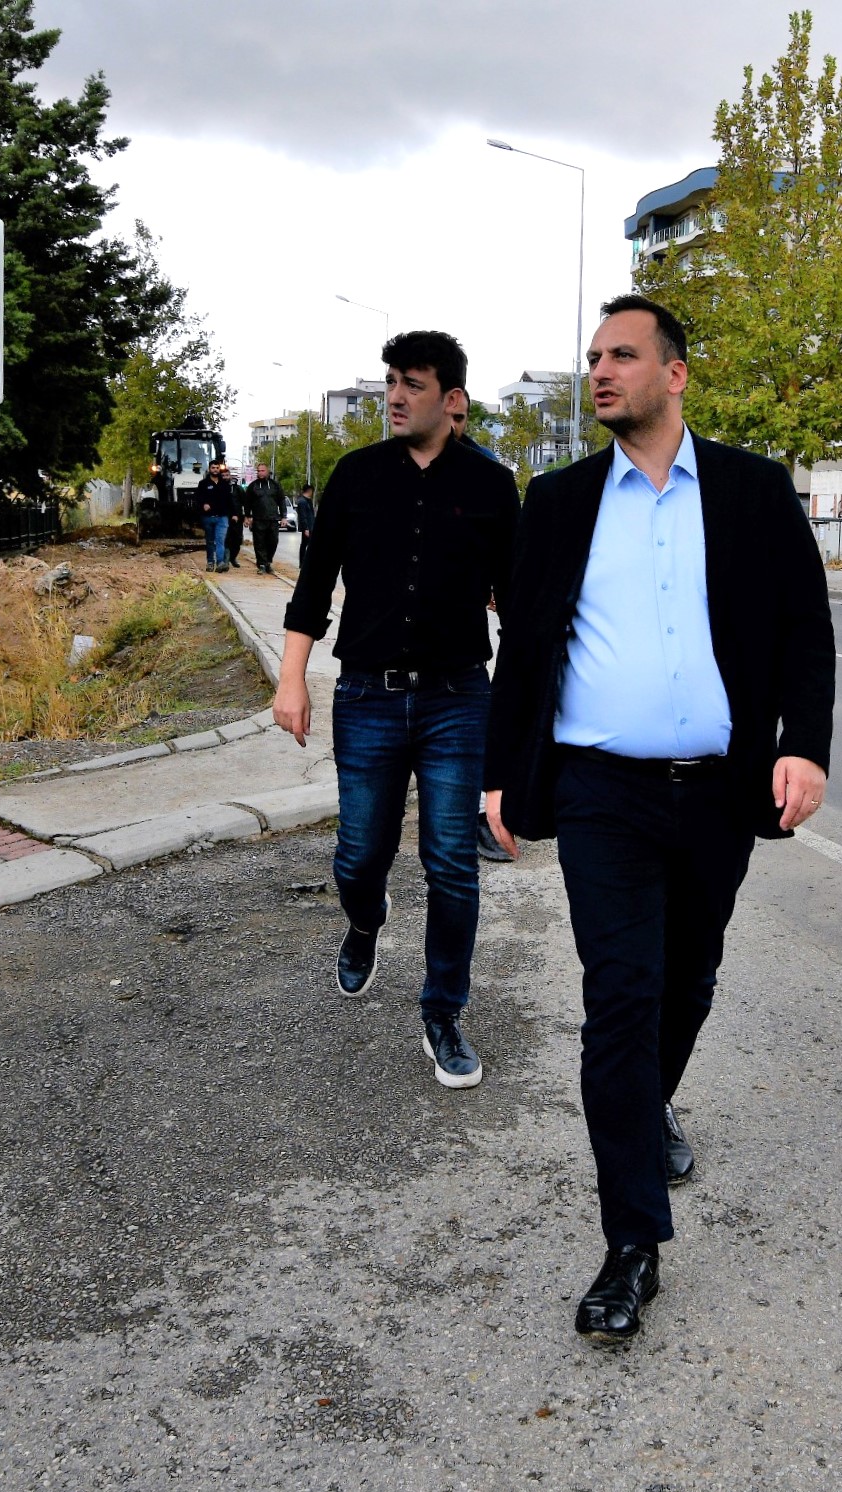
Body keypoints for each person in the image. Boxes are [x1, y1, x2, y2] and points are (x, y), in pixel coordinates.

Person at [482, 295, 835, 1343]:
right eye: (593, 356)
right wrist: (500, 776)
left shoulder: (752, 492)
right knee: (620, 1001)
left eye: (622, 356)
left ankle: (647, 1105)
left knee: (688, 978)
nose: (601, 371)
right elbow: (526, 649)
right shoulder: (556, 501)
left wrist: (803, 744)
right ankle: (630, 1242)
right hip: (602, 792)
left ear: (675, 374)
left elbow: (803, 629)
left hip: (720, 788)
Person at [273, 331, 519, 1089]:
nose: (394, 395)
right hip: (366, 696)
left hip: (456, 699)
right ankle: (364, 918)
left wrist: (519, 719)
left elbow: (516, 606)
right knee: (359, 853)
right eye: (390, 381)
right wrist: (292, 678)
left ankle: (442, 1012)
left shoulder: (490, 483)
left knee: (451, 862)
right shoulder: (355, 476)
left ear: (453, 401)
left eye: (412, 383)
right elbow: (314, 588)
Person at [447, 401, 515, 864]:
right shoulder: (389, 466)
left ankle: (482, 817)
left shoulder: (486, 468)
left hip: (467, 642)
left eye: (461, 418)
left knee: (478, 726)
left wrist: (498, 593)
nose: (452, 427)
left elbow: (506, 546)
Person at [242, 462, 290, 574]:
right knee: (259, 543)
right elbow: (247, 503)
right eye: (258, 471)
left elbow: (281, 501)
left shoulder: (275, 485)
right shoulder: (253, 486)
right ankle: (262, 565)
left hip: (273, 519)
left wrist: (284, 517)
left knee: (273, 541)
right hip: (258, 519)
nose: (260, 473)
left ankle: (268, 561)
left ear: (267, 472)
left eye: (262, 470)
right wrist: (247, 517)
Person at [192, 460, 235, 574]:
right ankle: (210, 562)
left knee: (220, 540)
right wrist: (203, 505)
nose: (215, 470)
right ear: (209, 469)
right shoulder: (203, 484)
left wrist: (234, 513)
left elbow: (230, 500)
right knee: (210, 541)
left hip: (222, 517)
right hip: (208, 517)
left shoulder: (224, 484)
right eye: (213, 468)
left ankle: (220, 562)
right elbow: (197, 498)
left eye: (217, 468)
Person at [221, 463, 248, 569]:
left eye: (227, 475)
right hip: (224, 518)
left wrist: (246, 516)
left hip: (237, 519)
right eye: (223, 476)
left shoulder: (237, 489)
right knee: (226, 539)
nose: (225, 478)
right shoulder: (219, 488)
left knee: (237, 540)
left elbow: (245, 502)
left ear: (230, 476)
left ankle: (233, 558)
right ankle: (226, 560)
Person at [293, 484, 316, 552]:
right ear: (309, 491)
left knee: (307, 544)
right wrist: (306, 528)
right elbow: (303, 516)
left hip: (310, 526)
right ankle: (303, 561)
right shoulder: (302, 501)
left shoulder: (308, 500)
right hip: (307, 527)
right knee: (305, 544)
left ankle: (305, 560)